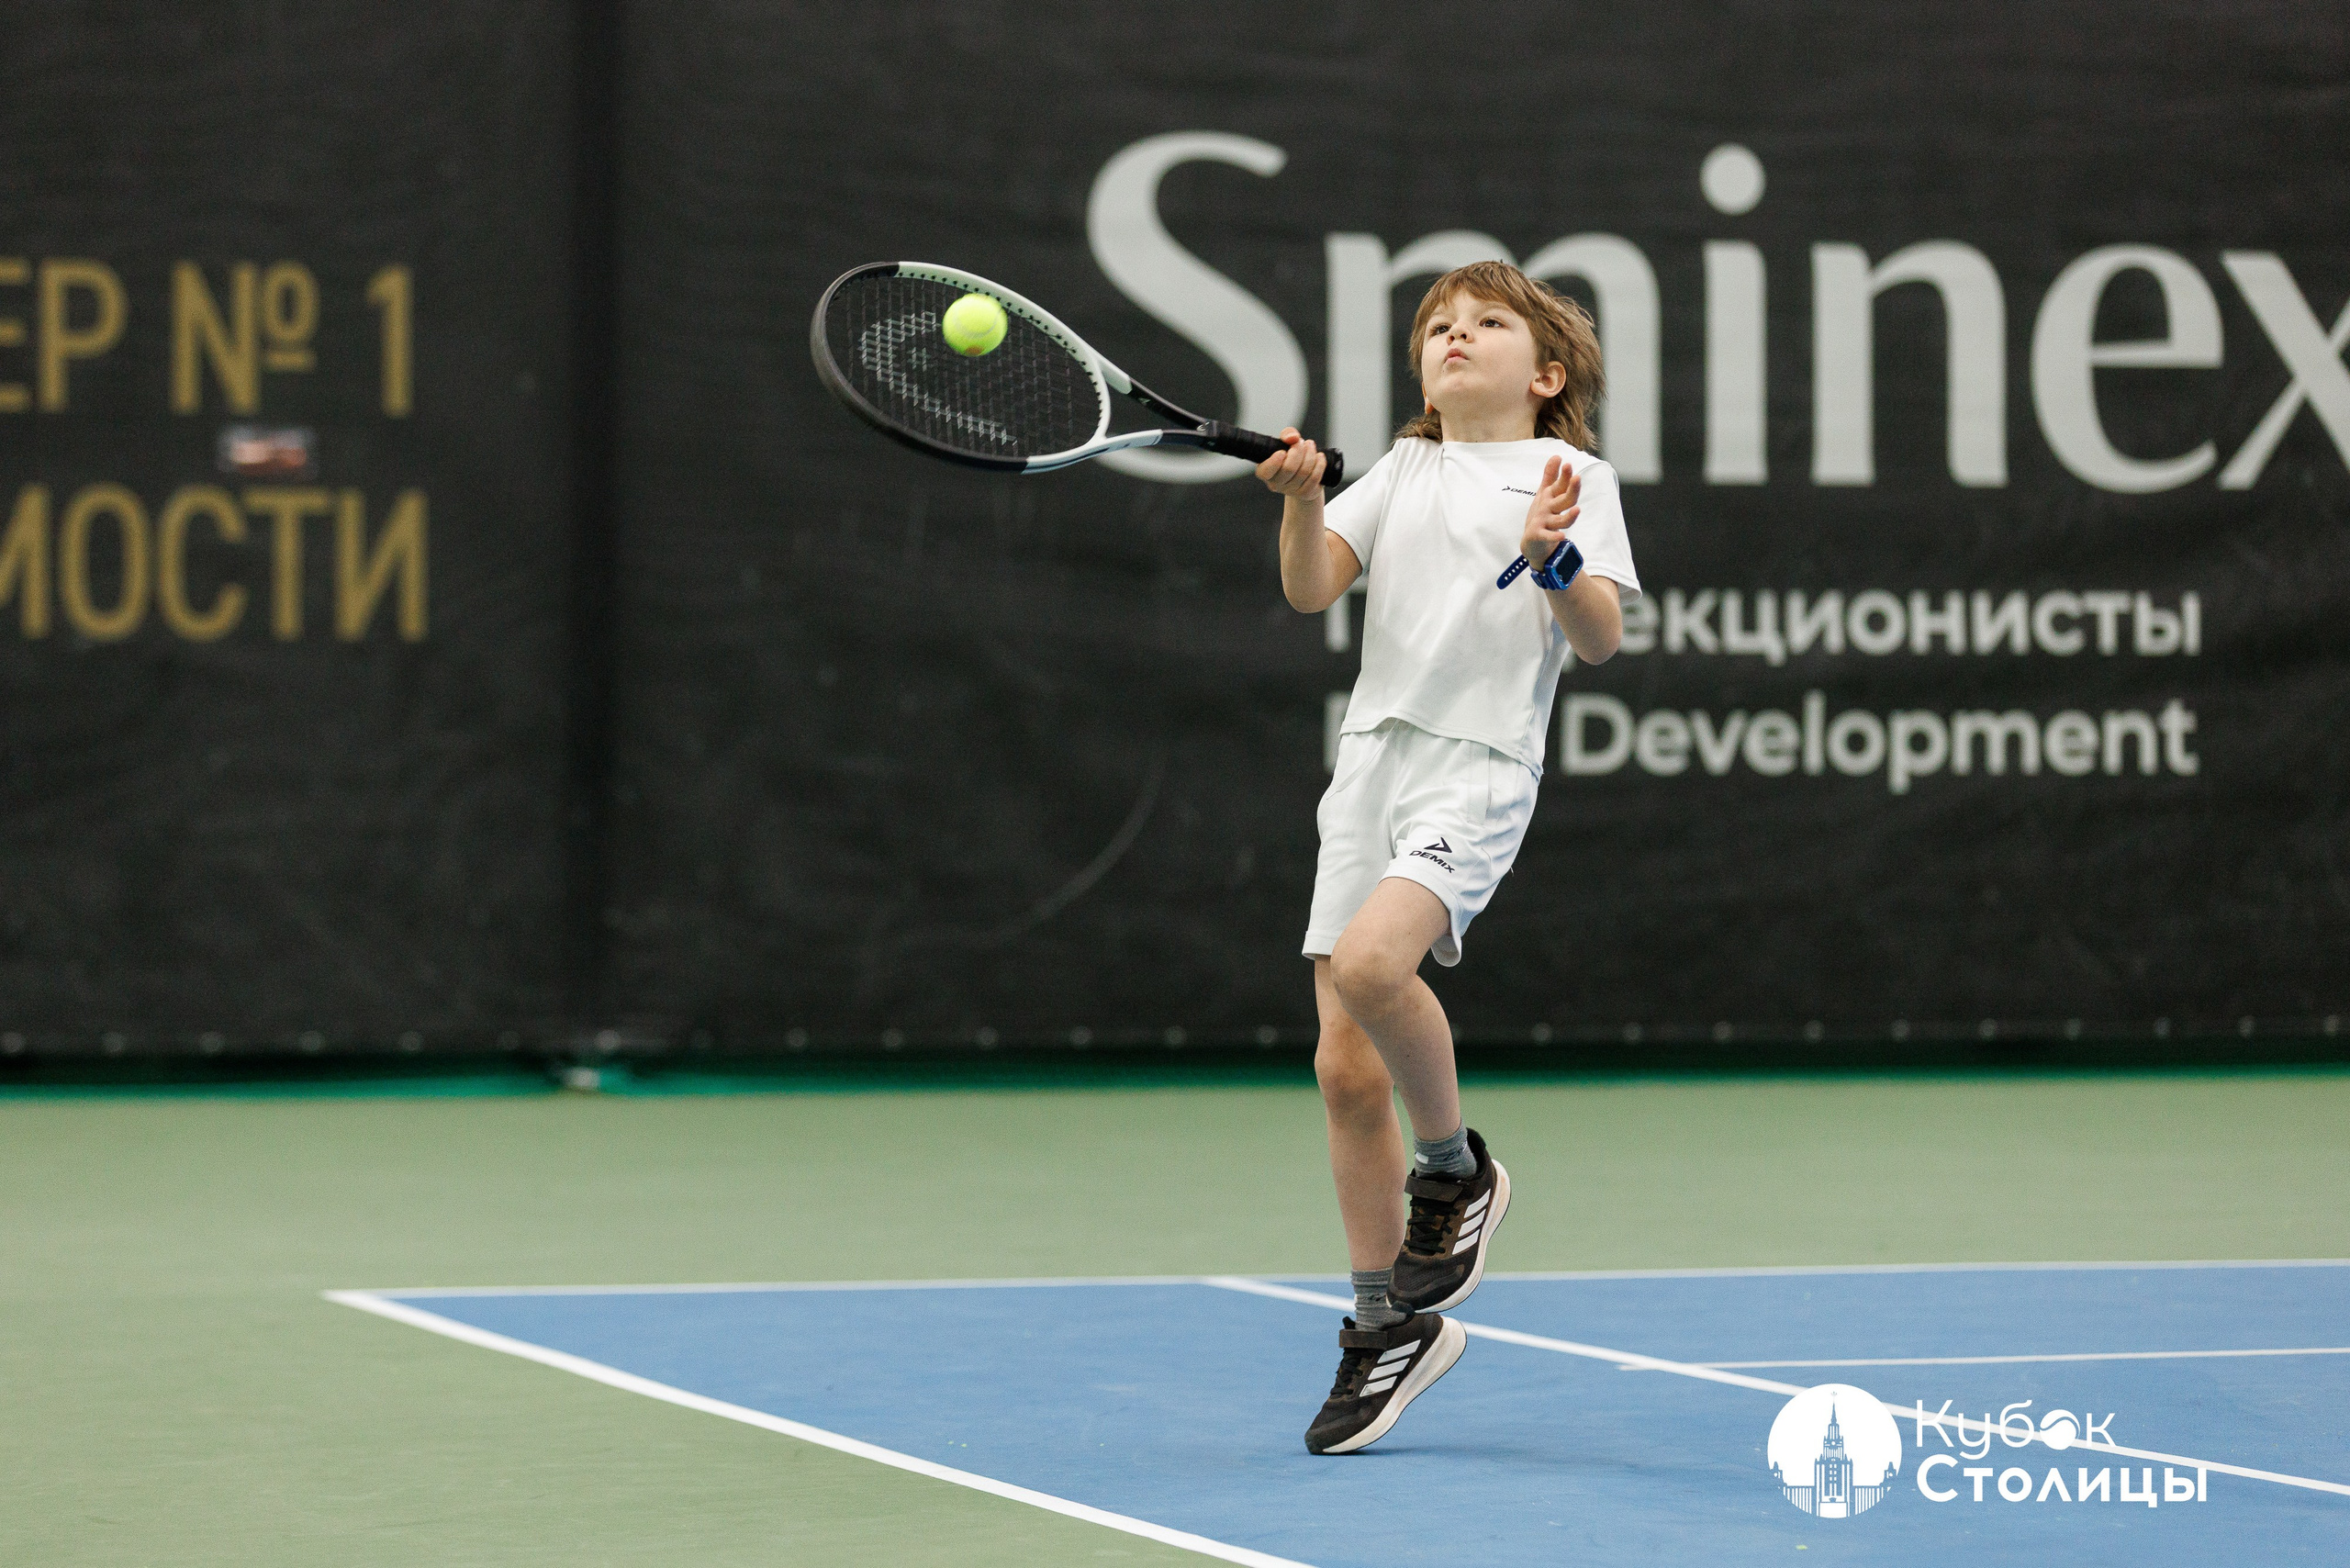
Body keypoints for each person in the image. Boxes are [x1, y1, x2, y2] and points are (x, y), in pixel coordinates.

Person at [1254, 260, 1640, 1454]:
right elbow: (1313, 587)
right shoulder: (1403, 468)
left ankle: (1456, 1170)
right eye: (1437, 327)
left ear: (1549, 370)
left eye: (1485, 323)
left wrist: (1556, 556)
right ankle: (1387, 1326)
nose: (1454, 338)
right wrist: (1301, 499)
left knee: (1378, 967)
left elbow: (1604, 638)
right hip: (1368, 765)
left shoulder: (1571, 478)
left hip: (1474, 764)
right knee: (1340, 1070)